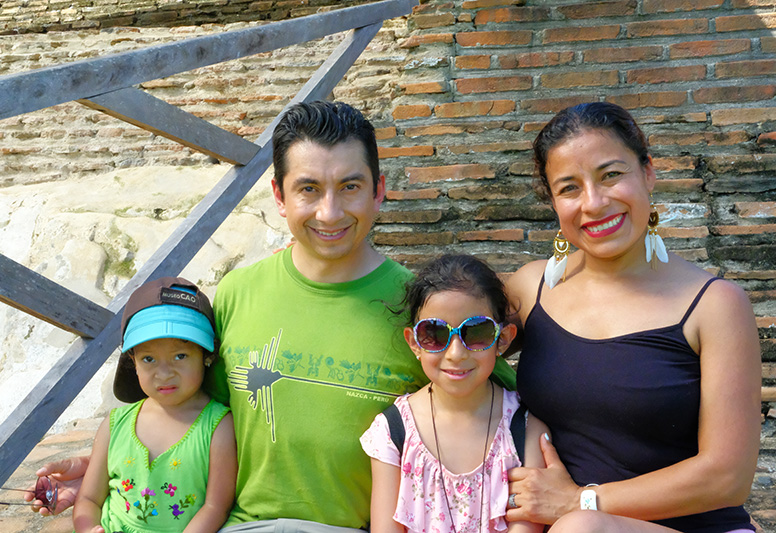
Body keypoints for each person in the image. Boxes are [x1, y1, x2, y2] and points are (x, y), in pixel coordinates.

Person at [28, 101, 517, 531]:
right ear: (279, 197)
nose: (329, 212)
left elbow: (500, 414)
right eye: (309, 189)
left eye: (349, 186)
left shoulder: (423, 312)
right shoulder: (238, 293)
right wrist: (110, 472)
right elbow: (191, 414)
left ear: (378, 191)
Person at [503, 102, 761, 532]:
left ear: (648, 173)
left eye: (611, 175)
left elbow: (727, 478)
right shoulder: (532, 289)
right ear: (553, 202)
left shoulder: (716, 305)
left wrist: (579, 502)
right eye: (569, 188)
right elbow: (448, 353)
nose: (594, 203)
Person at [362, 255, 546, 533]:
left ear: (503, 339)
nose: (456, 353)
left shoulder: (526, 428)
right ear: (414, 342)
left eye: (476, 332)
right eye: (435, 333)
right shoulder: (393, 432)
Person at [72, 277, 237, 533]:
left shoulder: (218, 427)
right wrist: (87, 528)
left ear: (207, 355)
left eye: (180, 356)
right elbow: (89, 499)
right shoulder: (115, 425)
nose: (164, 373)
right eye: (148, 359)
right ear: (133, 361)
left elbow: (215, 507)